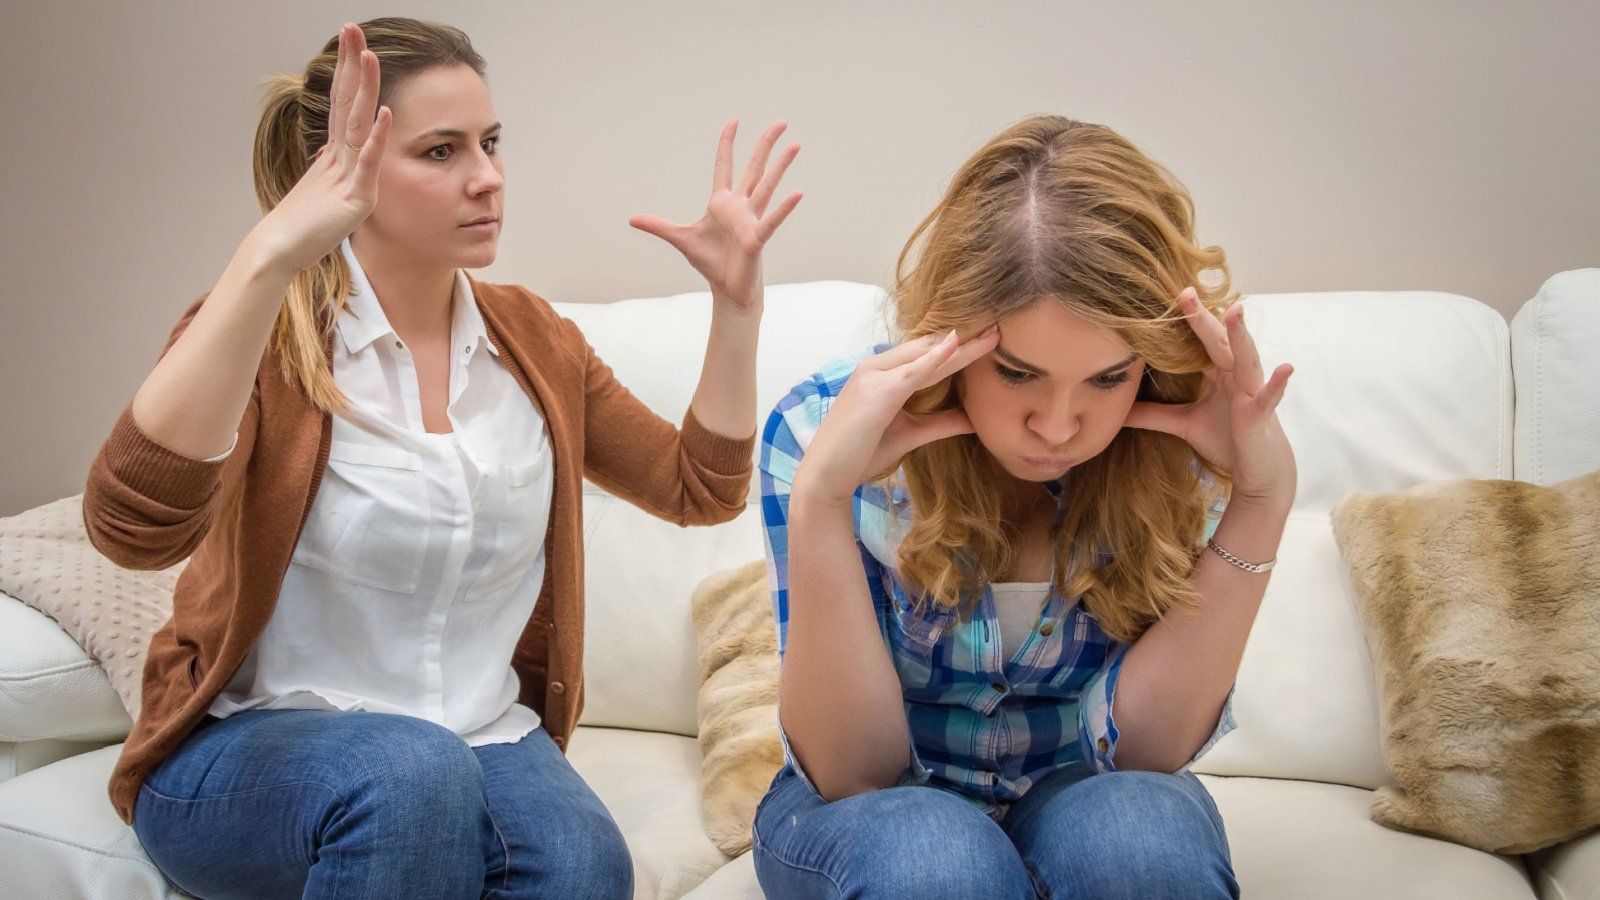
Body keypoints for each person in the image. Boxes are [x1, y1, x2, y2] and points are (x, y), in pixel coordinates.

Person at [81, 17, 800, 899]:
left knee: (585, 866)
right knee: (408, 773)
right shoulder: (263, 334)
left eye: (491, 143)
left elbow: (701, 488)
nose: (488, 177)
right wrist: (268, 256)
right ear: (345, 172)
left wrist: (735, 308)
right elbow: (129, 531)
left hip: (478, 735)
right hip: (248, 750)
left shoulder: (536, 341)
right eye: (441, 151)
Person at [753, 115, 1294, 898]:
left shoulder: (1190, 435)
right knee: (935, 863)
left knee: (1145, 840)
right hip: (874, 817)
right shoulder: (818, 427)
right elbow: (853, 773)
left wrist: (1262, 495)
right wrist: (822, 503)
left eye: (1107, 379)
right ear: (952, 336)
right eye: (1016, 373)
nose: (1058, 426)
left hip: (1077, 791)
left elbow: (1141, 754)